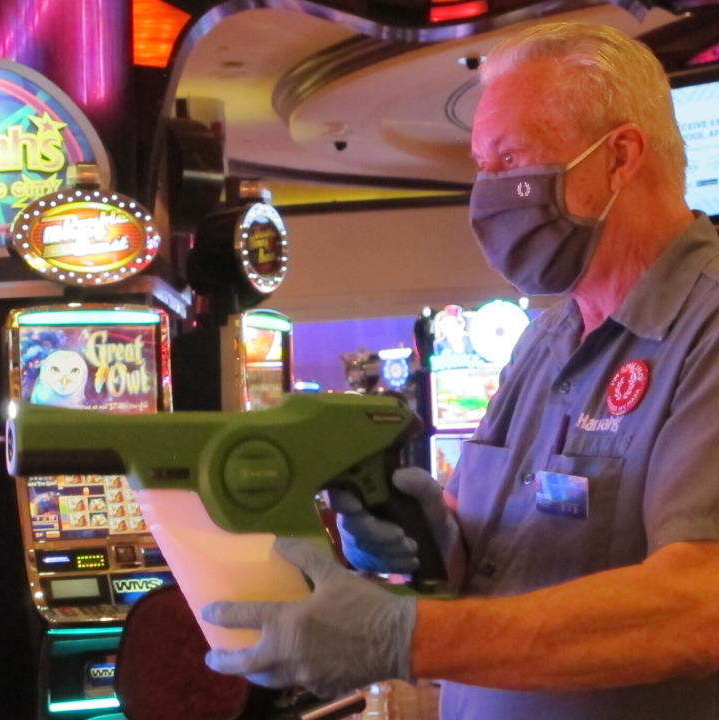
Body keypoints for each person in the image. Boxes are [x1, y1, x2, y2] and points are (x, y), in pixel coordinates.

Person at [201, 21, 719, 719]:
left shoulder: (706, 324)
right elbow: (511, 560)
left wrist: (407, 635)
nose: (487, 194)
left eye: (508, 160)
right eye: (480, 166)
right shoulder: (545, 337)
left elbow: (699, 607)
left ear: (620, 156)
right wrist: (435, 540)